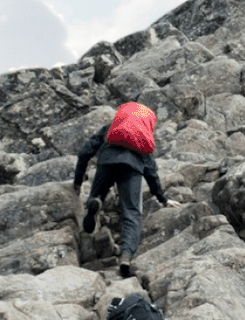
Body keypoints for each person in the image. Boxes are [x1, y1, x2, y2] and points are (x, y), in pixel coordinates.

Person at [73, 106, 177, 277]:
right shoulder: (141, 137)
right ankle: (126, 256)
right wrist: (162, 198)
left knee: (97, 195)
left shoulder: (111, 129)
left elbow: (85, 152)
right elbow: (151, 171)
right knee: (132, 213)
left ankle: (94, 201)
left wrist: (78, 180)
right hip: (132, 168)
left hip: (106, 162)